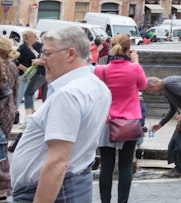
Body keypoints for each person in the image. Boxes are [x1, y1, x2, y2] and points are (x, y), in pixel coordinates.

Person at [10, 25, 112, 202]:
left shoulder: (68, 95)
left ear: (71, 54)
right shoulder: (97, 86)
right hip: (71, 183)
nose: (42, 60)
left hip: (50, 191)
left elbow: (57, 163)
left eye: (47, 54)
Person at [94, 34, 147, 203]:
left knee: (106, 166)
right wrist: (136, 62)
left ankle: (105, 201)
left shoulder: (100, 70)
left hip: (107, 122)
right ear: (128, 49)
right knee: (125, 166)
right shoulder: (134, 69)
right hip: (129, 122)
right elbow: (143, 85)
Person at [0, 37, 20, 199]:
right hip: (9, 110)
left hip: (1, 110)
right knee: (3, 148)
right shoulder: (12, 65)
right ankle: (3, 188)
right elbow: (15, 90)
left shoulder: (1, 66)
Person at [15, 30, 44, 119]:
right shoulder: (22, 48)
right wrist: (26, 69)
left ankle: (31, 110)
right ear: (29, 38)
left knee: (30, 92)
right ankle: (15, 111)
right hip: (24, 74)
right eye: (34, 36)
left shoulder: (34, 47)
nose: (36, 38)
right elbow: (16, 62)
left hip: (31, 74)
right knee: (21, 93)